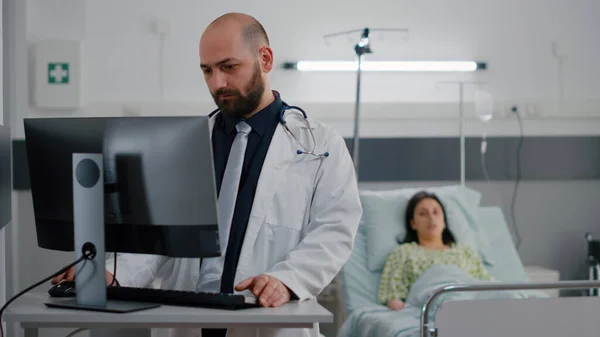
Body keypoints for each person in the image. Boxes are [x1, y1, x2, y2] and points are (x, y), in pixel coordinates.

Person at [51, 12, 362, 337]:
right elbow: (156, 237)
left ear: (265, 59)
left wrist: (288, 279)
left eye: (229, 67)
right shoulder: (181, 145)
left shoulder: (319, 145)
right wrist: (113, 273)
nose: (217, 83)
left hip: (268, 319)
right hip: (188, 320)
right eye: (207, 70)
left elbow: (335, 229)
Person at [377, 191, 493, 311]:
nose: (431, 218)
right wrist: (409, 315)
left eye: (436, 212)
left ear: (444, 221)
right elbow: (392, 296)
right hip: (434, 306)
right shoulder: (403, 253)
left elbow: (487, 286)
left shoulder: (466, 253)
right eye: (423, 214)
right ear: (413, 223)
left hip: (473, 304)